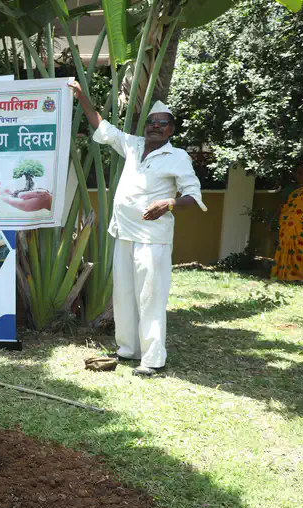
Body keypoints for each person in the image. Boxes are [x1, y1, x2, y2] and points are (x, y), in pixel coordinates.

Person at [70, 81, 206, 377]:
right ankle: (128, 349)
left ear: (171, 130)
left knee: (150, 297)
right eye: (151, 123)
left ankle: (153, 359)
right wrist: (82, 97)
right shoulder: (132, 145)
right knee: (124, 294)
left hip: (152, 240)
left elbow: (194, 197)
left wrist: (169, 203)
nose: (155, 127)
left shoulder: (177, 157)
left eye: (162, 124)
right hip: (124, 234)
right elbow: (100, 124)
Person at [271, 162, 303, 281]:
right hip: (287, 222)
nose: (300, 174)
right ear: (294, 174)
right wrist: (272, 221)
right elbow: (281, 206)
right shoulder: (289, 189)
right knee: (286, 246)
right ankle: (286, 273)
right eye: (298, 172)